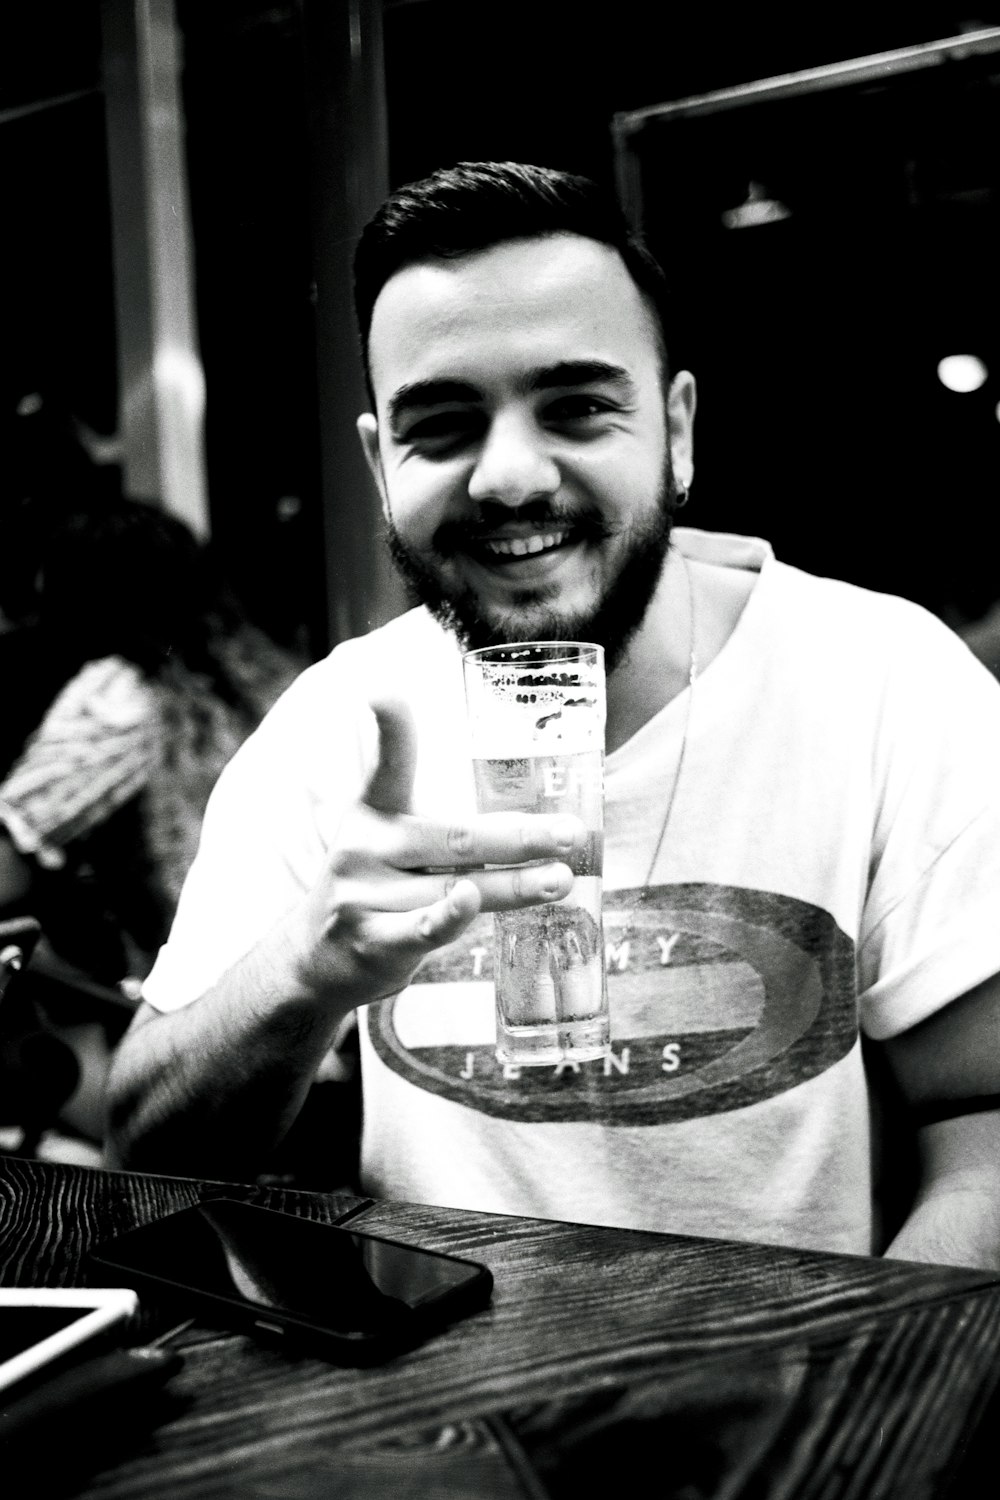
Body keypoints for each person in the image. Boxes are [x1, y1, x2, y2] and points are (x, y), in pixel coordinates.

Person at [105, 161, 1000, 1268]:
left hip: (811, 1406)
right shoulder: (335, 724)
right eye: (442, 425)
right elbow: (145, 1150)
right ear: (382, 465)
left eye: (575, 407)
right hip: (438, 1419)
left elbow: (983, 1124)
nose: (510, 476)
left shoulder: (880, 679)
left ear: (675, 431)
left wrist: (859, 1410)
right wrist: (307, 970)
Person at [1, 491, 302, 1147]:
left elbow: (4, 874)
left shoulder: (117, 699)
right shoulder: (272, 682)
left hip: (188, 1045)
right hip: (301, 1033)